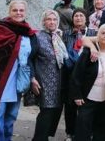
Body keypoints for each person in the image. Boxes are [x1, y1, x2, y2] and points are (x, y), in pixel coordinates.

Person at [0, 0, 36, 141]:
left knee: (10, 118)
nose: (18, 13)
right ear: (9, 12)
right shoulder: (1, 29)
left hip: (17, 84)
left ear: (25, 12)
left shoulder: (28, 32)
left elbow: (32, 57)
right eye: (15, 10)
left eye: (21, 10)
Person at [70, 24, 105, 141]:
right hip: (88, 97)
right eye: (103, 33)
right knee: (83, 129)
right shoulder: (89, 52)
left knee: (101, 129)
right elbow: (77, 74)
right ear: (98, 35)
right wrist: (77, 95)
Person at [31, 9, 68, 140]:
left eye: (54, 19)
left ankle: (44, 136)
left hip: (58, 81)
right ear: (43, 22)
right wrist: (32, 78)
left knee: (55, 110)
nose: (52, 22)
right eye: (49, 19)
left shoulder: (57, 37)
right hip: (44, 80)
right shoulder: (37, 37)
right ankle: (39, 138)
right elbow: (30, 58)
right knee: (46, 111)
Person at [62, 8, 97, 140]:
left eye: (81, 16)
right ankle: (70, 132)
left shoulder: (94, 33)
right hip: (69, 74)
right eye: (76, 16)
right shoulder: (65, 34)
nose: (78, 18)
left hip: (87, 75)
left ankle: (86, 132)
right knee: (70, 106)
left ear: (86, 18)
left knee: (86, 106)